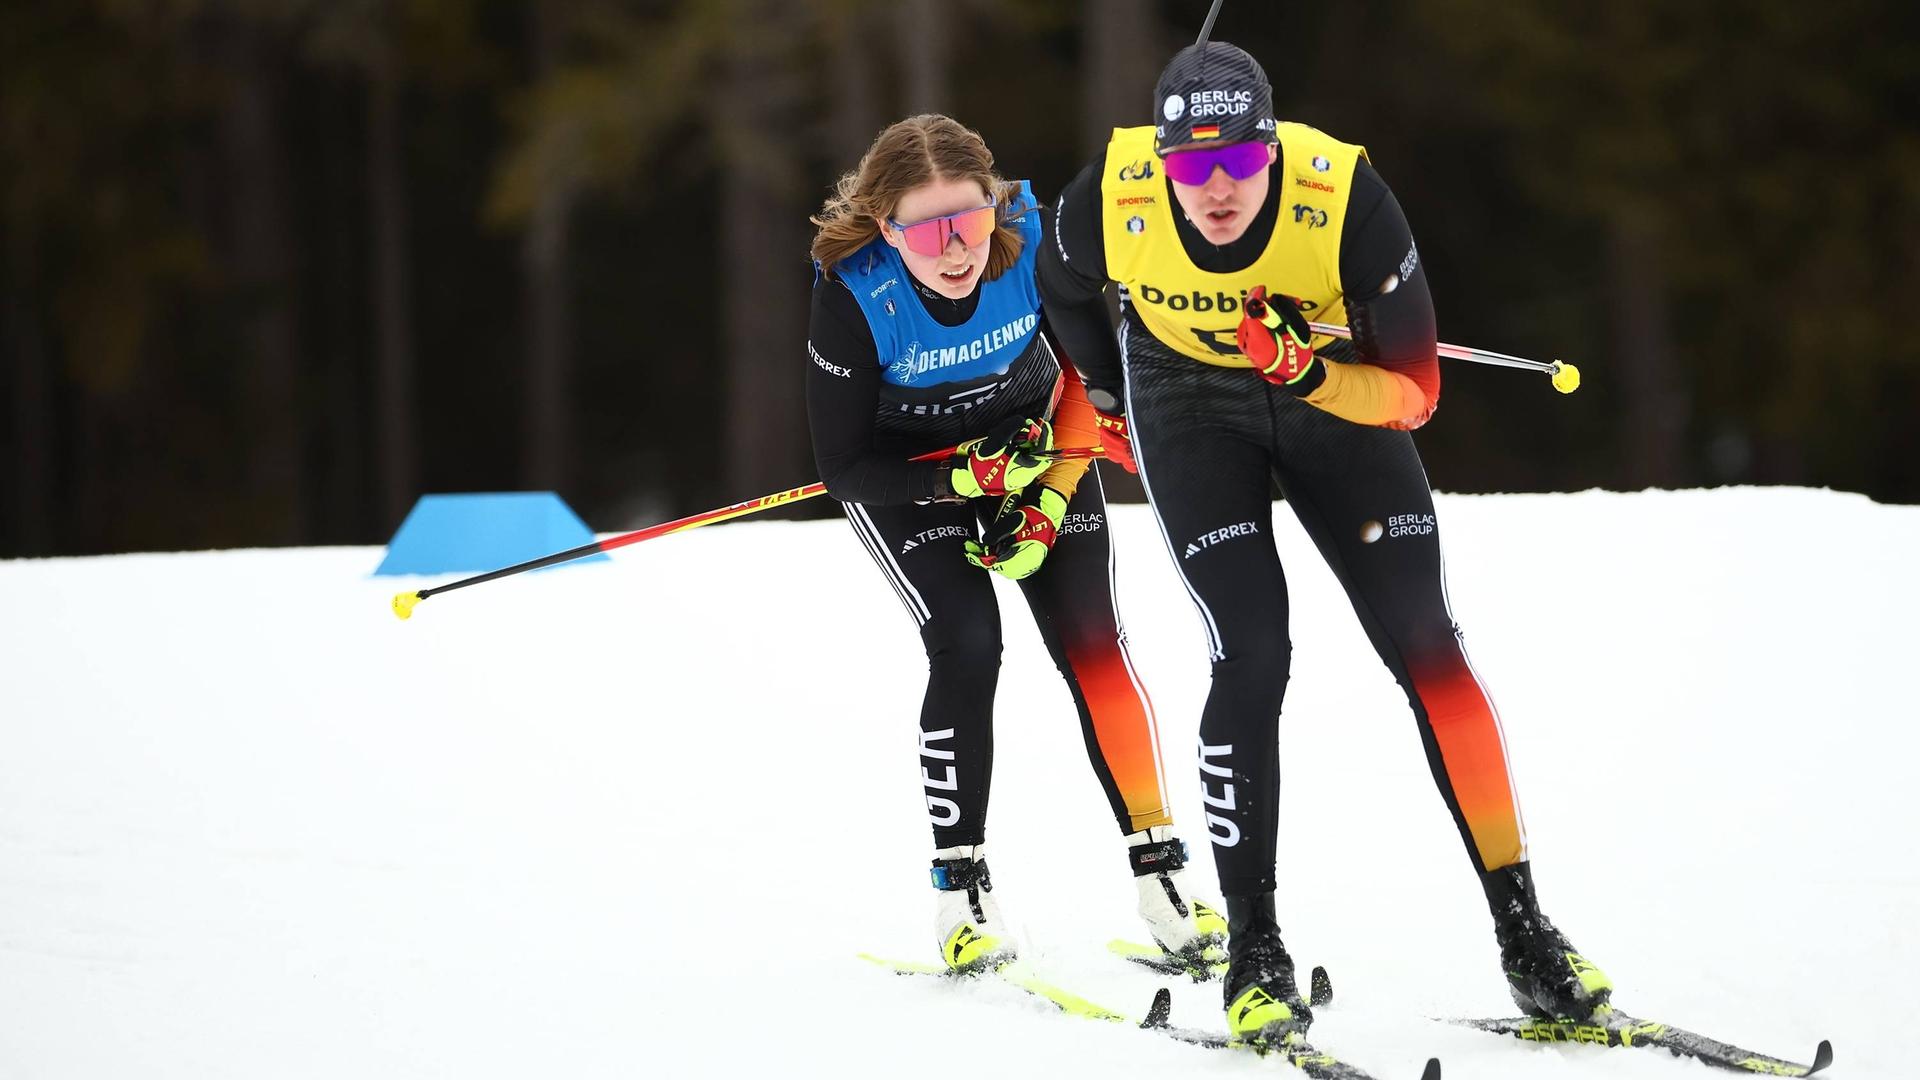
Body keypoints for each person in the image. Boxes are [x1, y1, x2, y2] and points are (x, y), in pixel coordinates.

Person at [1035, 42, 1613, 1043]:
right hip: (1188, 401)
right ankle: (1256, 951)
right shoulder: (1112, 194)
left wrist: (1308, 375)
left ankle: (1524, 930)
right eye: (1190, 166)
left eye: (1239, 165)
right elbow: (1063, 285)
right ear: (1161, 161)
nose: (1214, 190)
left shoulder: (1345, 198)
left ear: (1274, 150)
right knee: (1251, 654)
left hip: (1331, 393)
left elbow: (1417, 392)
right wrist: (1105, 392)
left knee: (1428, 644)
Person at [805, 114, 1227, 975]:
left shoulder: (1035, 239)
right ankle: (960, 893)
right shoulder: (853, 292)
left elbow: (1089, 377)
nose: (956, 246)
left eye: (969, 216)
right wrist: (958, 484)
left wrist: (1052, 489)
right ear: (887, 227)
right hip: (911, 476)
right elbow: (845, 468)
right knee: (968, 644)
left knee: (1094, 643)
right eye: (926, 228)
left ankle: (1162, 876)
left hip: (1037, 446)